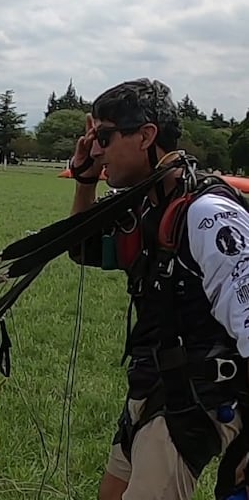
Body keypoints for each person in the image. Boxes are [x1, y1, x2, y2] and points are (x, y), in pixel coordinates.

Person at [67, 78, 249, 500]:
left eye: (105, 137)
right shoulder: (146, 201)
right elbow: (83, 247)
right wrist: (85, 180)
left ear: (146, 136)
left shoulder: (208, 215)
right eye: (94, 138)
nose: (96, 149)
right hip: (152, 385)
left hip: (198, 396)